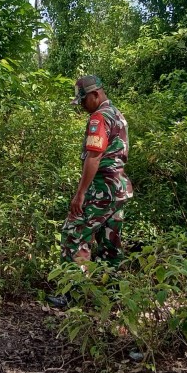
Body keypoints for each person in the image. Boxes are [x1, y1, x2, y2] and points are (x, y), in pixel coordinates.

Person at [49, 75, 133, 306]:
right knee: (110, 241)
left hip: (101, 191)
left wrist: (81, 193)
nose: (83, 107)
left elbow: (94, 156)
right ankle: (114, 296)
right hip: (118, 190)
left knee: (73, 234)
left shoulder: (99, 117)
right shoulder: (117, 114)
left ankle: (70, 295)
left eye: (84, 100)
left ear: (96, 95)